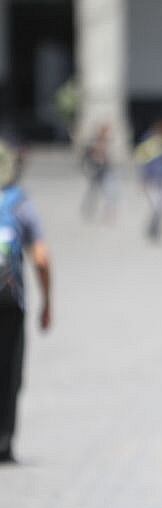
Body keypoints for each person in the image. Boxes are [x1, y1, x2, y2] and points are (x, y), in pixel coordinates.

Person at [0, 140, 52, 463]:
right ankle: (3, 442)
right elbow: (42, 259)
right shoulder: (19, 203)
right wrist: (47, 302)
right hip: (9, 303)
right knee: (8, 371)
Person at [134, 119, 162, 241]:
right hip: (152, 180)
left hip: (161, 181)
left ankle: (155, 230)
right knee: (157, 206)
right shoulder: (150, 144)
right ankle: (153, 231)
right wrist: (143, 180)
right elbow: (144, 163)